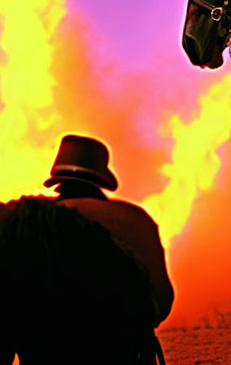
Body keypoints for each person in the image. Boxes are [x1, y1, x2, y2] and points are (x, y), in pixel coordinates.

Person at [44, 133, 174, 326]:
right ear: (100, 178)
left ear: (59, 182)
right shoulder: (137, 219)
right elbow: (161, 300)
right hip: (126, 351)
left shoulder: (37, 220)